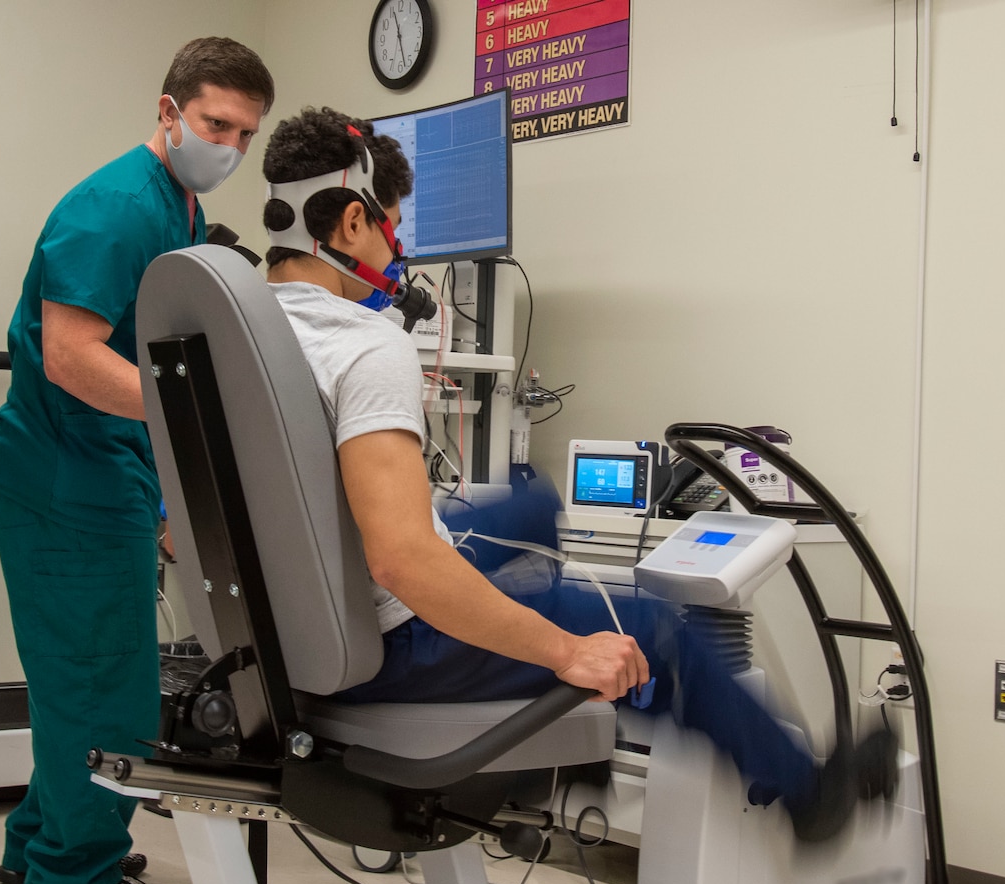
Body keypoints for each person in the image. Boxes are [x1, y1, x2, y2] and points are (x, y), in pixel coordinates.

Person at [256, 107, 895, 844]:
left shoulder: (242, 335)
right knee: (654, 629)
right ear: (350, 225)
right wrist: (567, 652)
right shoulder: (366, 349)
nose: (396, 253)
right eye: (392, 230)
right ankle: (811, 796)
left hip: (300, 627)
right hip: (389, 644)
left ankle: (547, 747)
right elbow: (400, 560)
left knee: (530, 502)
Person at [0, 38, 274, 884]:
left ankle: (40, 840)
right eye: (215, 123)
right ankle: (76, 879)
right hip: (67, 471)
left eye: (244, 133)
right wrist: (193, 414)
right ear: (169, 110)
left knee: (76, 673)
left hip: (97, 463)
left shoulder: (176, 204)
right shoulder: (115, 208)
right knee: (102, 677)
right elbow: (74, 360)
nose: (227, 144)